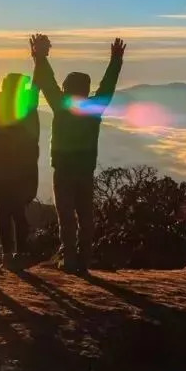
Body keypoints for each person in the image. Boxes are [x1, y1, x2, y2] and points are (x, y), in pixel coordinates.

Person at [31, 33, 126, 274]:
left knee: (66, 214)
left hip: (63, 168)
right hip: (85, 168)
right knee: (85, 215)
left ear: (67, 88)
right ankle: (84, 259)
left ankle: (69, 258)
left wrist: (40, 57)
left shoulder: (62, 106)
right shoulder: (94, 107)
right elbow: (108, 86)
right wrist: (116, 61)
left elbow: (48, 82)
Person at [0, 72, 41, 271]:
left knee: (6, 213)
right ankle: (19, 253)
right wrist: (39, 60)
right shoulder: (27, 107)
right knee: (16, 213)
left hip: (1, 170)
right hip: (20, 171)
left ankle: (9, 254)